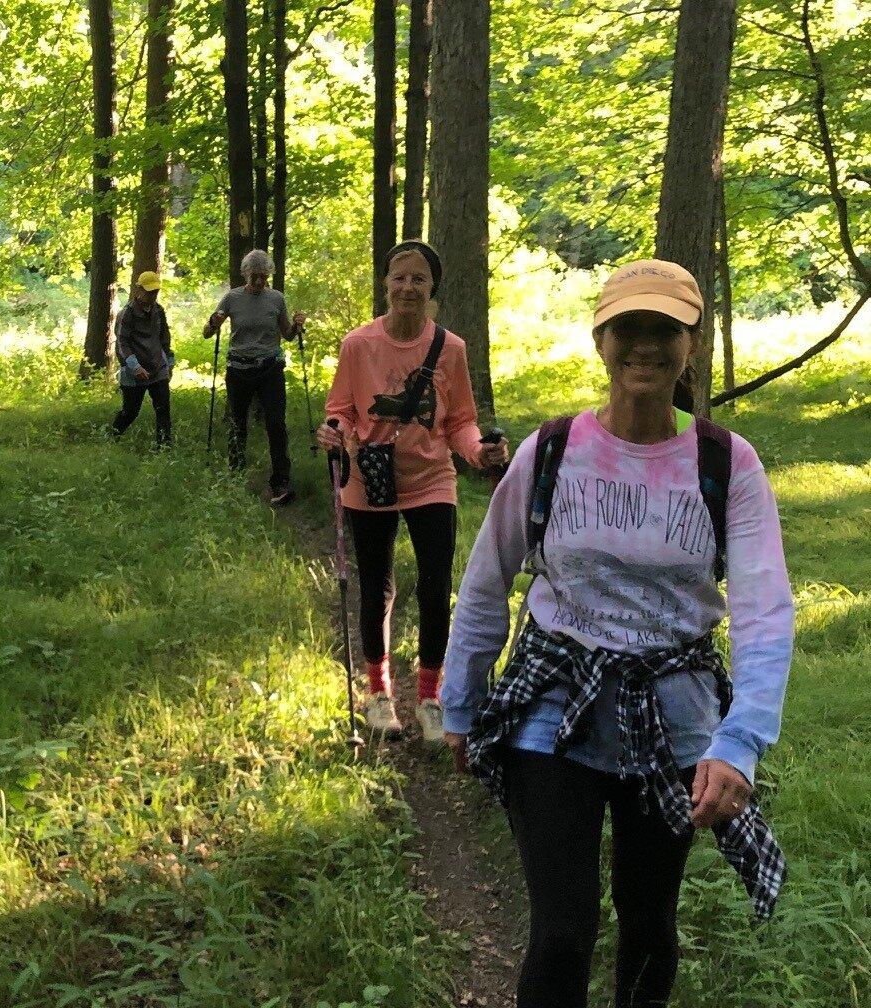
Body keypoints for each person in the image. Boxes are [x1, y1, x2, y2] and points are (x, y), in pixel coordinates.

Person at [442, 259, 792, 1007]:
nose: (645, 345)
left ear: (690, 344)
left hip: (674, 719)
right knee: (562, 930)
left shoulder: (726, 463)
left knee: (649, 924)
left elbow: (764, 609)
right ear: (601, 340)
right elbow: (485, 580)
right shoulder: (554, 449)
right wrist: (462, 703)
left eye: (664, 329)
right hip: (551, 711)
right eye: (628, 327)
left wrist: (740, 742)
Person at [315, 241, 508, 741]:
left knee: (434, 585)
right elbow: (341, 407)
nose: (408, 287)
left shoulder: (452, 349)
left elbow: (462, 421)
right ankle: (378, 694)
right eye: (399, 277)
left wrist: (478, 452)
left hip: (431, 480)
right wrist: (334, 430)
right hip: (370, 478)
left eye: (418, 279)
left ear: (432, 288)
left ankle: (430, 696)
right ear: (385, 283)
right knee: (377, 584)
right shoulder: (358, 344)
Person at [204, 249, 306, 505]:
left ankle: (281, 481)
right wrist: (213, 323)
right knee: (238, 424)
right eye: (255, 277)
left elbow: (288, 335)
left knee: (276, 423)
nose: (260, 282)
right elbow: (207, 333)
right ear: (245, 274)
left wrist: (297, 325)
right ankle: (236, 474)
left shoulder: (276, 299)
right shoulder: (232, 298)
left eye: (264, 277)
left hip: (270, 368)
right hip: (238, 368)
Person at [111, 270, 175, 445]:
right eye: (149, 291)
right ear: (139, 289)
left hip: (157, 368)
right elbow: (122, 343)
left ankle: (164, 448)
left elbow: (164, 338)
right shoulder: (127, 314)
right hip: (134, 371)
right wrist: (135, 366)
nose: (153, 295)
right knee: (131, 411)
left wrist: (170, 361)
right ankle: (113, 435)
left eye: (155, 291)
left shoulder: (159, 311)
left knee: (163, 410)